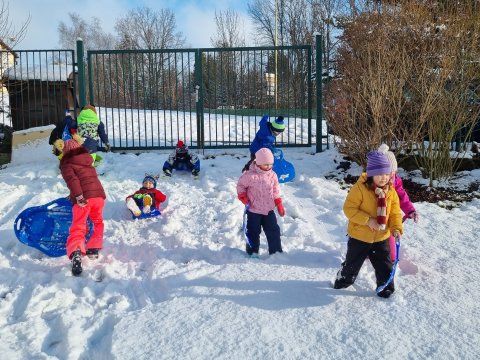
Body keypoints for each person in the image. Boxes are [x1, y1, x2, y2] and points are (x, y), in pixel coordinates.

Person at [333, 151, 403, 298]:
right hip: (360, 236)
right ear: (371, 174)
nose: (384, 178)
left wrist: (396, 228)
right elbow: (349, 209)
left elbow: (395, 213)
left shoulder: (391, 192)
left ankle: (385, 287)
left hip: (381, 237)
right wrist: (368, 220)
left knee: (384, 265)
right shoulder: (360, 189)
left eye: (386, 174)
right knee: (353, 264)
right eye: (379, 174)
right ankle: (343, 279)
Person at [59, 139, 106, 276]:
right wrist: (72, 194)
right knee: (97, 221)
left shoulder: (67, 164)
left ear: (66, 152)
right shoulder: (87, 161)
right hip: (98, 196)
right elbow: (86, 179)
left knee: (79, 225)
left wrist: (78, 196)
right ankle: (93, 248)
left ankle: (76, 252)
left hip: (84, 199)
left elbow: (73, 181)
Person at [237, 147, 286, 257]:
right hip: (254, 209)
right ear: (258, 163)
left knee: (273, 230)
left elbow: (275, 190)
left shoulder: (273, 175)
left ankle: (276, 252)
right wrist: (242, 196)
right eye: (265, 164)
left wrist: (279, 204)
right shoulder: (250, 175)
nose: (268, 166)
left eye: (270, 164)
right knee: (253, 231)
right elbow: (240, 186)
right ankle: (252, 252)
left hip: (268, 209)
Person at [378, 143, 419, 261]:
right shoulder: (371, 183)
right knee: (367, 243)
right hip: (372, 219)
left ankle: (390, 260)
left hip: (390, 218)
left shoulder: (395, 180)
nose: (391, 175)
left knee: (391, 252)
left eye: (393, 172)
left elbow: (401, 196)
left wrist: (410, 210)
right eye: (388, 172)